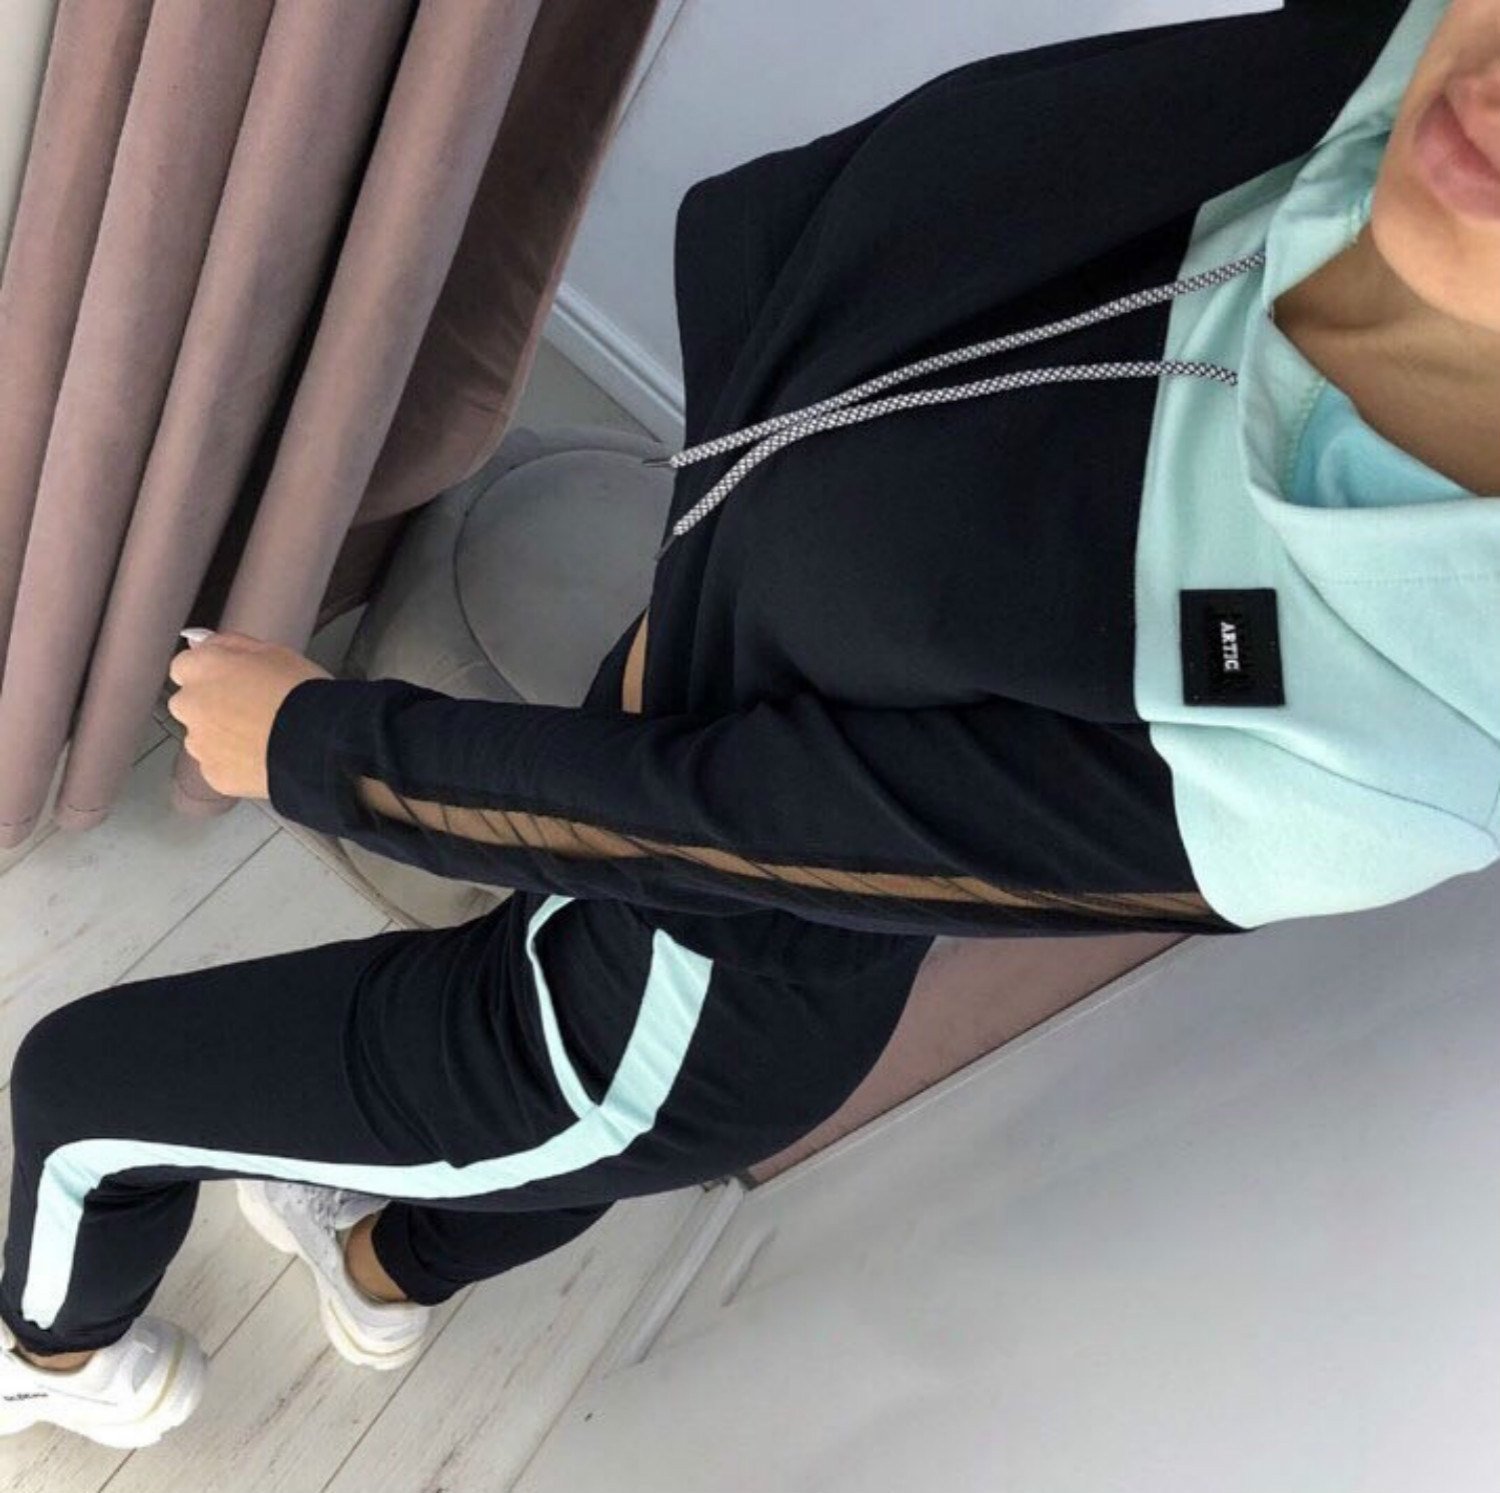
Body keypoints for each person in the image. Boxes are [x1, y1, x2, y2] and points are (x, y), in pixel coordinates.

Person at [3, 0, 1498, 1448]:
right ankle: (385, 1269)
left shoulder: (1395, 740)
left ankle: (60, 1359)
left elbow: (742, 827)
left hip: (662, 1016)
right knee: (544, 1133)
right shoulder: (1374, 90)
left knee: (77, 1096)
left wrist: (320, 747)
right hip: (686, 864)